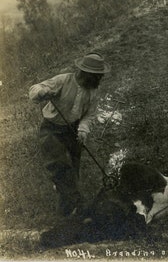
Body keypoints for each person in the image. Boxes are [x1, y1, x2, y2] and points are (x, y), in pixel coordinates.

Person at [29, 52, 111, 216]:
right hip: (51, 129)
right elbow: (34, 89)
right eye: (97, 77)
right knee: (59, 166)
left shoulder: (93, 92)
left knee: (73, 171)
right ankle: (78, 205)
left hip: (72, 131)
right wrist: (42, 92)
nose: (99, 80)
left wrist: (83, 130)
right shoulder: (63, 80)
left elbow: (89, 114)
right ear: (87, 74)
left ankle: (65, 213)